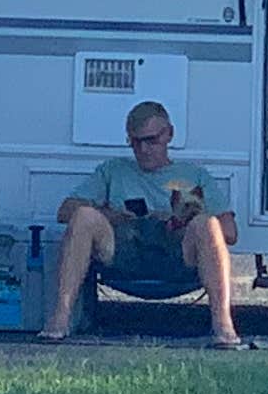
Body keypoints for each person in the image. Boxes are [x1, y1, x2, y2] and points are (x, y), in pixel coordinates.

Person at [41, 100, 244, 348]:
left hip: (177, 252)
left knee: (208, 224)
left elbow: (230, 232)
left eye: (151, 141)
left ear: (169, 135)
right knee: (84, 216)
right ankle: (61, 318)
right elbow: (65, 211)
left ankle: (223, 324)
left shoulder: (193, 175)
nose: (144, 149)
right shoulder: (113, 170)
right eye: (136, 142)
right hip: (124, 248)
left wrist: (183, 219)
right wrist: (112, 214)